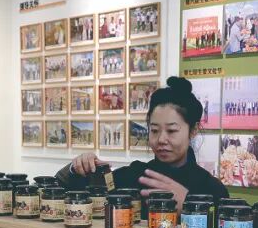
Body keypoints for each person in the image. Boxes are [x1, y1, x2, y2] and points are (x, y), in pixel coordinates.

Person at [57, 76, 229, 210]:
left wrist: (189, 205)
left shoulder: (212, 189)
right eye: (154, 130)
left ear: (193, 130)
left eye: (171, 131)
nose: (161, 139)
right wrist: (77, 168)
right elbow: (61, 194)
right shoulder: (132, 176)